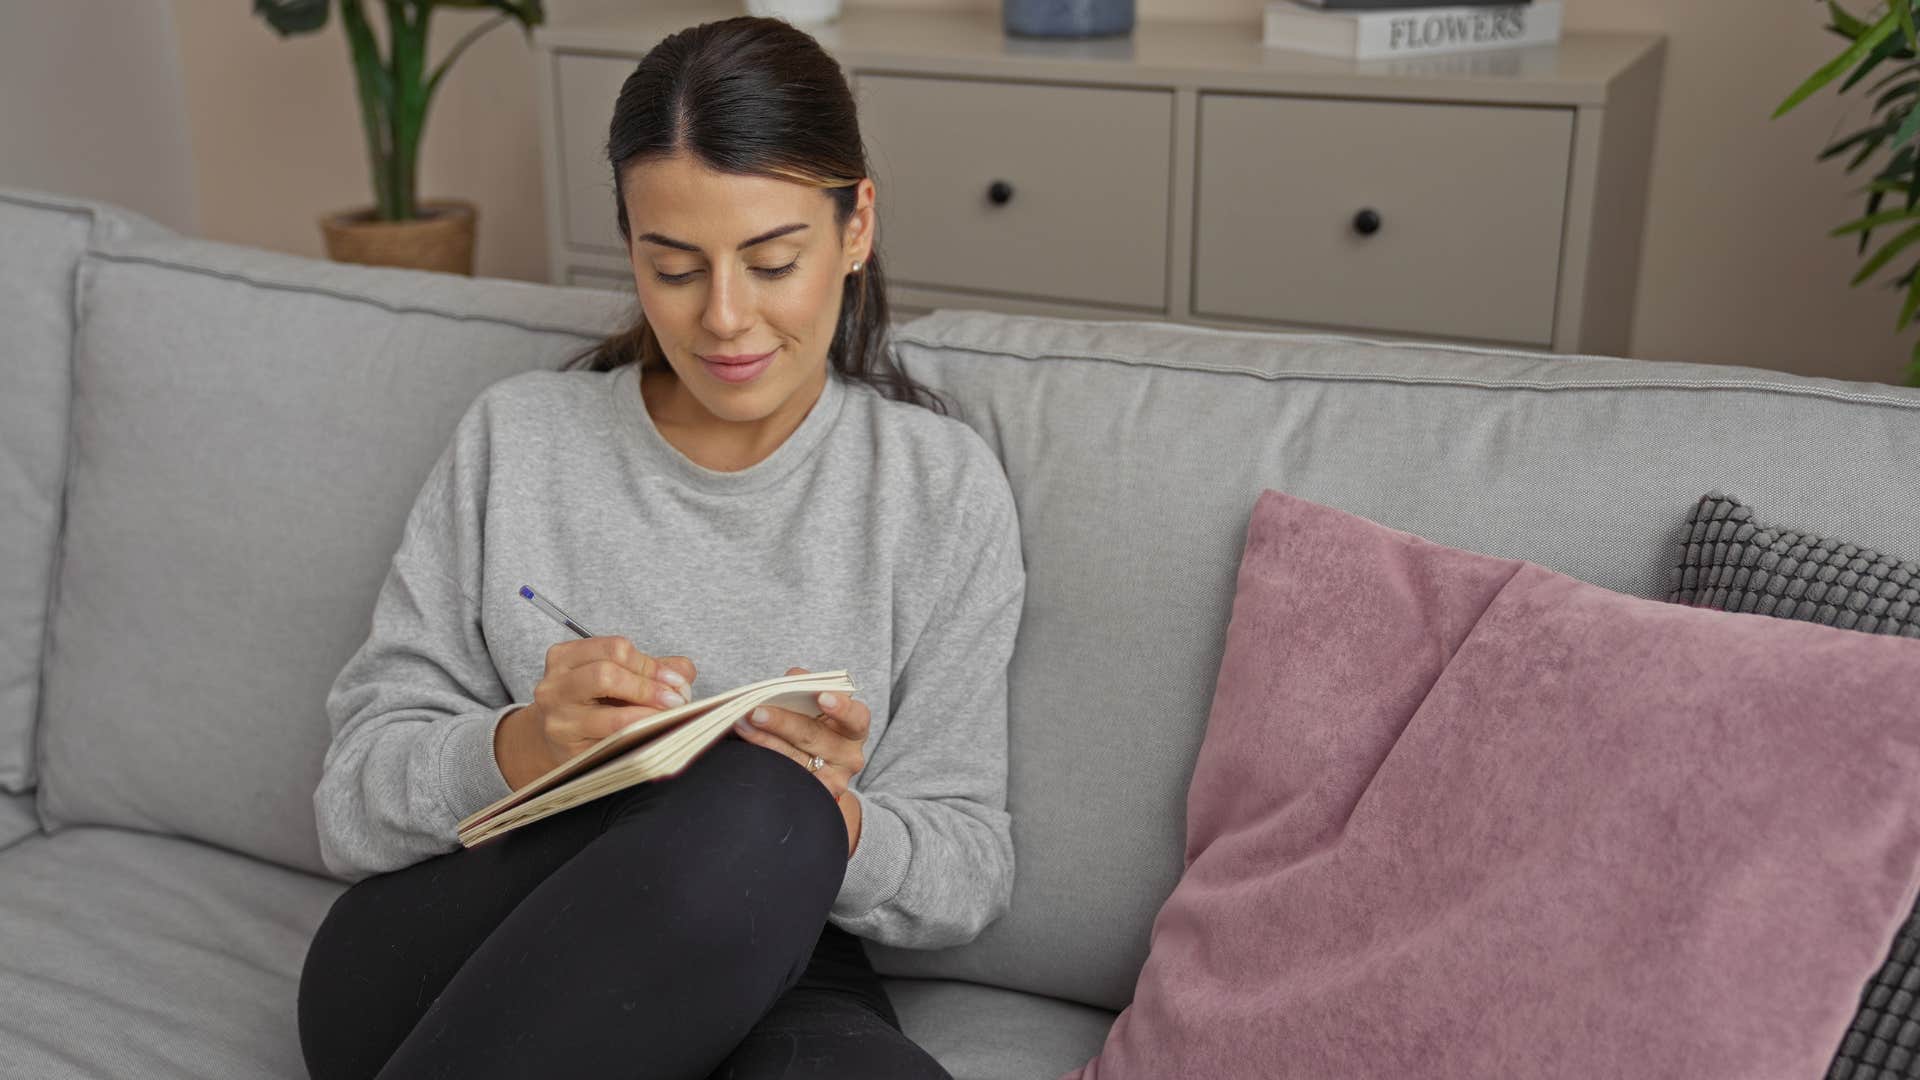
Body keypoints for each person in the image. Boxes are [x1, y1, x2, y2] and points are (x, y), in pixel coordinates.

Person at [295, 15, 1026, 1079]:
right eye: (674, 267)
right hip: (463, 954)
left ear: (856, 226)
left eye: (773, 262)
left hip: (773, 960)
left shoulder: (937, 489)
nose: (726, 320)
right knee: (755, 808)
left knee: (784, 859)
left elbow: (968, 872)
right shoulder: (522, 438)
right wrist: (528, 745)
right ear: (629, 241)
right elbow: (350, 801)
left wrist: (835, 823)